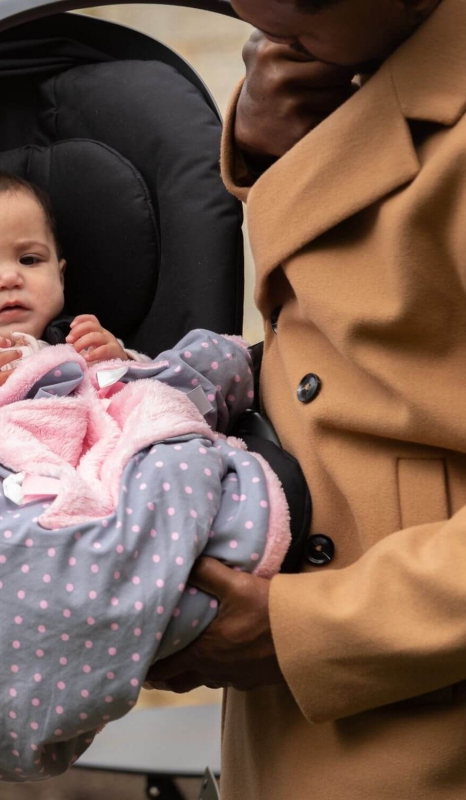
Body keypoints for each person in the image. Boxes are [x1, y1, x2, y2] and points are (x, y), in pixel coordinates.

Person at [146, 0, 466, 797]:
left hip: (419, 708)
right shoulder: (366, 55)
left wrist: (306, 629)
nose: (258, 19)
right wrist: (268, 147)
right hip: (312, 718)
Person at [0, 169, 147, 401]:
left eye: (29, 260)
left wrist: (120, 361)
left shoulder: (82, 342)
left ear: (60, 277)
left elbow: (155, 381)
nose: (9, 279)